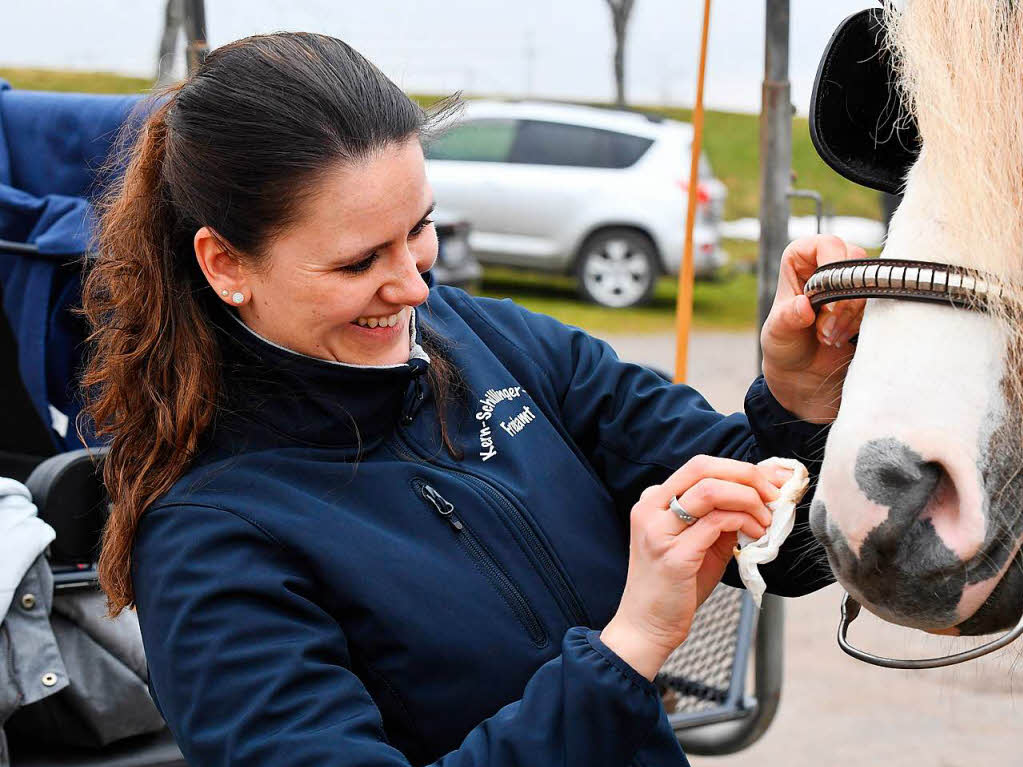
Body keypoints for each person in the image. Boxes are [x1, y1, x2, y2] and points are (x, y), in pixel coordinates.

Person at [81, 33, 865, 767]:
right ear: (225, 264)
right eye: (359, 262)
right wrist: (628, 649)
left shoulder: (480, 334)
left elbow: (793, 550)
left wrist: (799, 400)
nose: (416, 285)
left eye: (418, 228)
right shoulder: (207, 536)